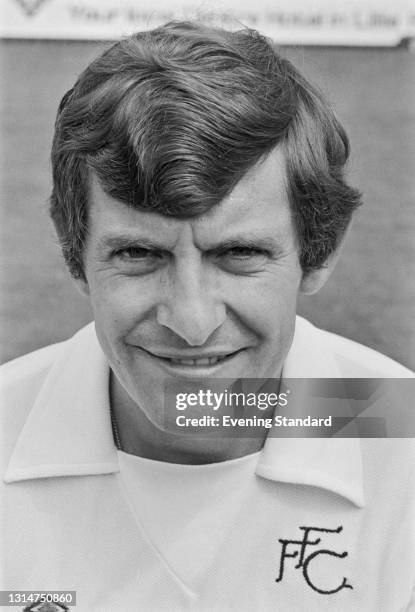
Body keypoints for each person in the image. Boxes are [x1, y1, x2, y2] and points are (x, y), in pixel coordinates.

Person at [1, 21, 414, 612]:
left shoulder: (403, 435)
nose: (191, 322)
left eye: (238, 254)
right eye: (139, 254)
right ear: (76, 255)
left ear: (316, 252)